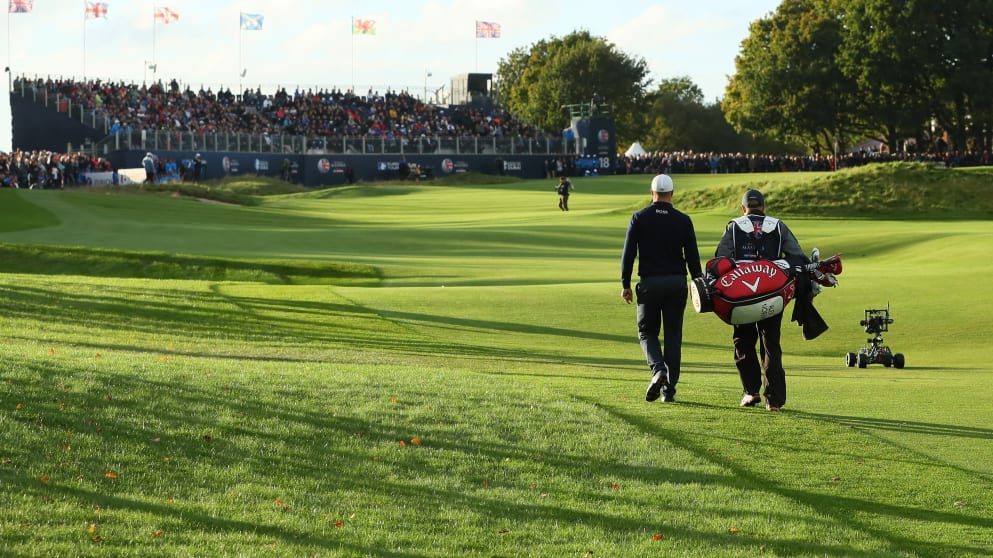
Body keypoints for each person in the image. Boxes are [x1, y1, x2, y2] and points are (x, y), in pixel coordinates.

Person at [714, 189, 808, 412]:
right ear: (764, 207)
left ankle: (751, 391)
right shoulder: (778, 225)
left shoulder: (734, 226)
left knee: (743, 340)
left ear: (743, 209)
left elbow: (720, 260)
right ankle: (773, 401)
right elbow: (798, 257)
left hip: (742, 297)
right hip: (773, 294)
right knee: (771, 345)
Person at [621, 174, 702, 403]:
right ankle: (669, 392)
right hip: (677, 283)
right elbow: (693, 257)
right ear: (672, 194)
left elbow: (629, 254)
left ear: (651, 193)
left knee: (647, 332)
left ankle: (658, 370)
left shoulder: (639, 217)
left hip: (650, 283)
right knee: (673, 337)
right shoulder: (683, 220)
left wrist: (625, 284)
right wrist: (699, 282)